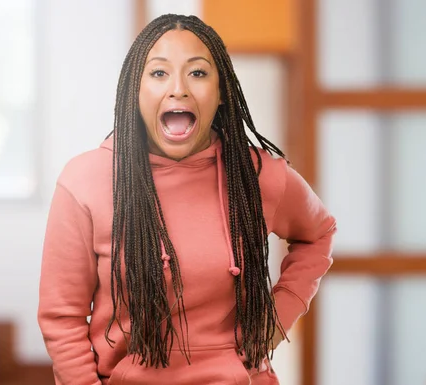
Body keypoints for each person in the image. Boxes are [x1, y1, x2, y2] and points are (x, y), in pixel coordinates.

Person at [38, 14, 336, 385]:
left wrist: (279, 315)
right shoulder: (85, 180)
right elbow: (61, 317)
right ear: (135, 89)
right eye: (159, 73)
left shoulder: (259, 174)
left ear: (222, 89)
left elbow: (319, 233)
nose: (178, 88)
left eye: (197, 73)